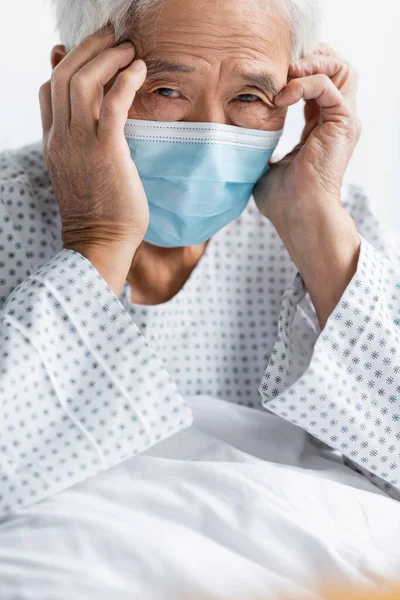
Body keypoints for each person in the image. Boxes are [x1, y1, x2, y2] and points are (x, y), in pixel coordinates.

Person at [0, 0, 399, 517]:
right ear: (72, 78)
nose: (212, 136)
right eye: (166, 90)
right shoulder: (10, 208)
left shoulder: (328, 219)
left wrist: (317, 224)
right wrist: (98, 236)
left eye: (251, 96)